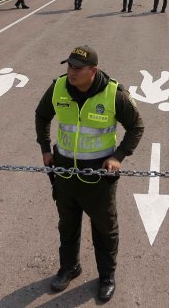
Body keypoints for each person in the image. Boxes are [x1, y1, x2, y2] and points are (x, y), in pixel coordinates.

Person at [36, 46, 144, 303]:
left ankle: (106, 276)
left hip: (98, 176)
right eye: (69, 66)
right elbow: (42, 115)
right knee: (68, 224)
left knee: (105, 228)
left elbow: (136, 126)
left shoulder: (114, 94)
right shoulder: (58, 87)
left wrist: (118, 157)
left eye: (77, 68)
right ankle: (69, 268)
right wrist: (45, 148)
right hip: (65, 171)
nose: (71, 72)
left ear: (92, 71)